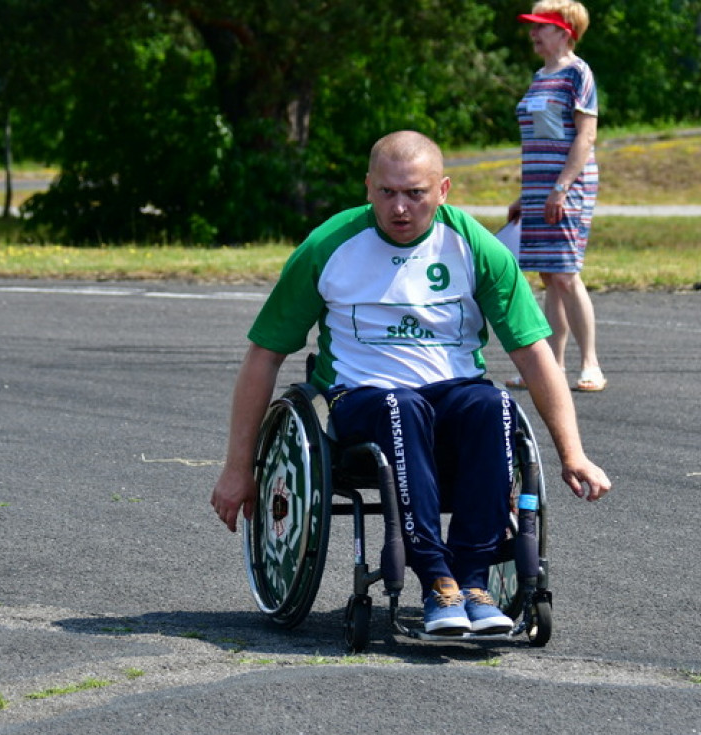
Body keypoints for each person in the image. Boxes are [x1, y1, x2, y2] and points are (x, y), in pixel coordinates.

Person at [211, 130, 610, 635]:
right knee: (403, 407)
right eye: (387, 193)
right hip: (361, 402)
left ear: (442, 190)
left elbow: (534, 353)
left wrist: (572, 454)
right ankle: (436, 580)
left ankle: (473, 581)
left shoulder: (474, 247)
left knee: (495, 405)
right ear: (368, 188)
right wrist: (237, 467)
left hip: (453, 398)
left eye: (415, 194)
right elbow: (264, 355)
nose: (401, 208)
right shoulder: (328, 247)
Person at [507, 0, 606, 393]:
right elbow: (539, 139)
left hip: (568, 187)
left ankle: (591, 365)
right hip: (539, 188)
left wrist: (561, 187)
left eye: (540, 27)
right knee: (550, 277)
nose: (533, 34)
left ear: (565, 31)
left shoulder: (577, 73)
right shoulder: (540, 75)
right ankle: (553, 368)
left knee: (565, 274)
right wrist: (525, 194)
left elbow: (586, 136)